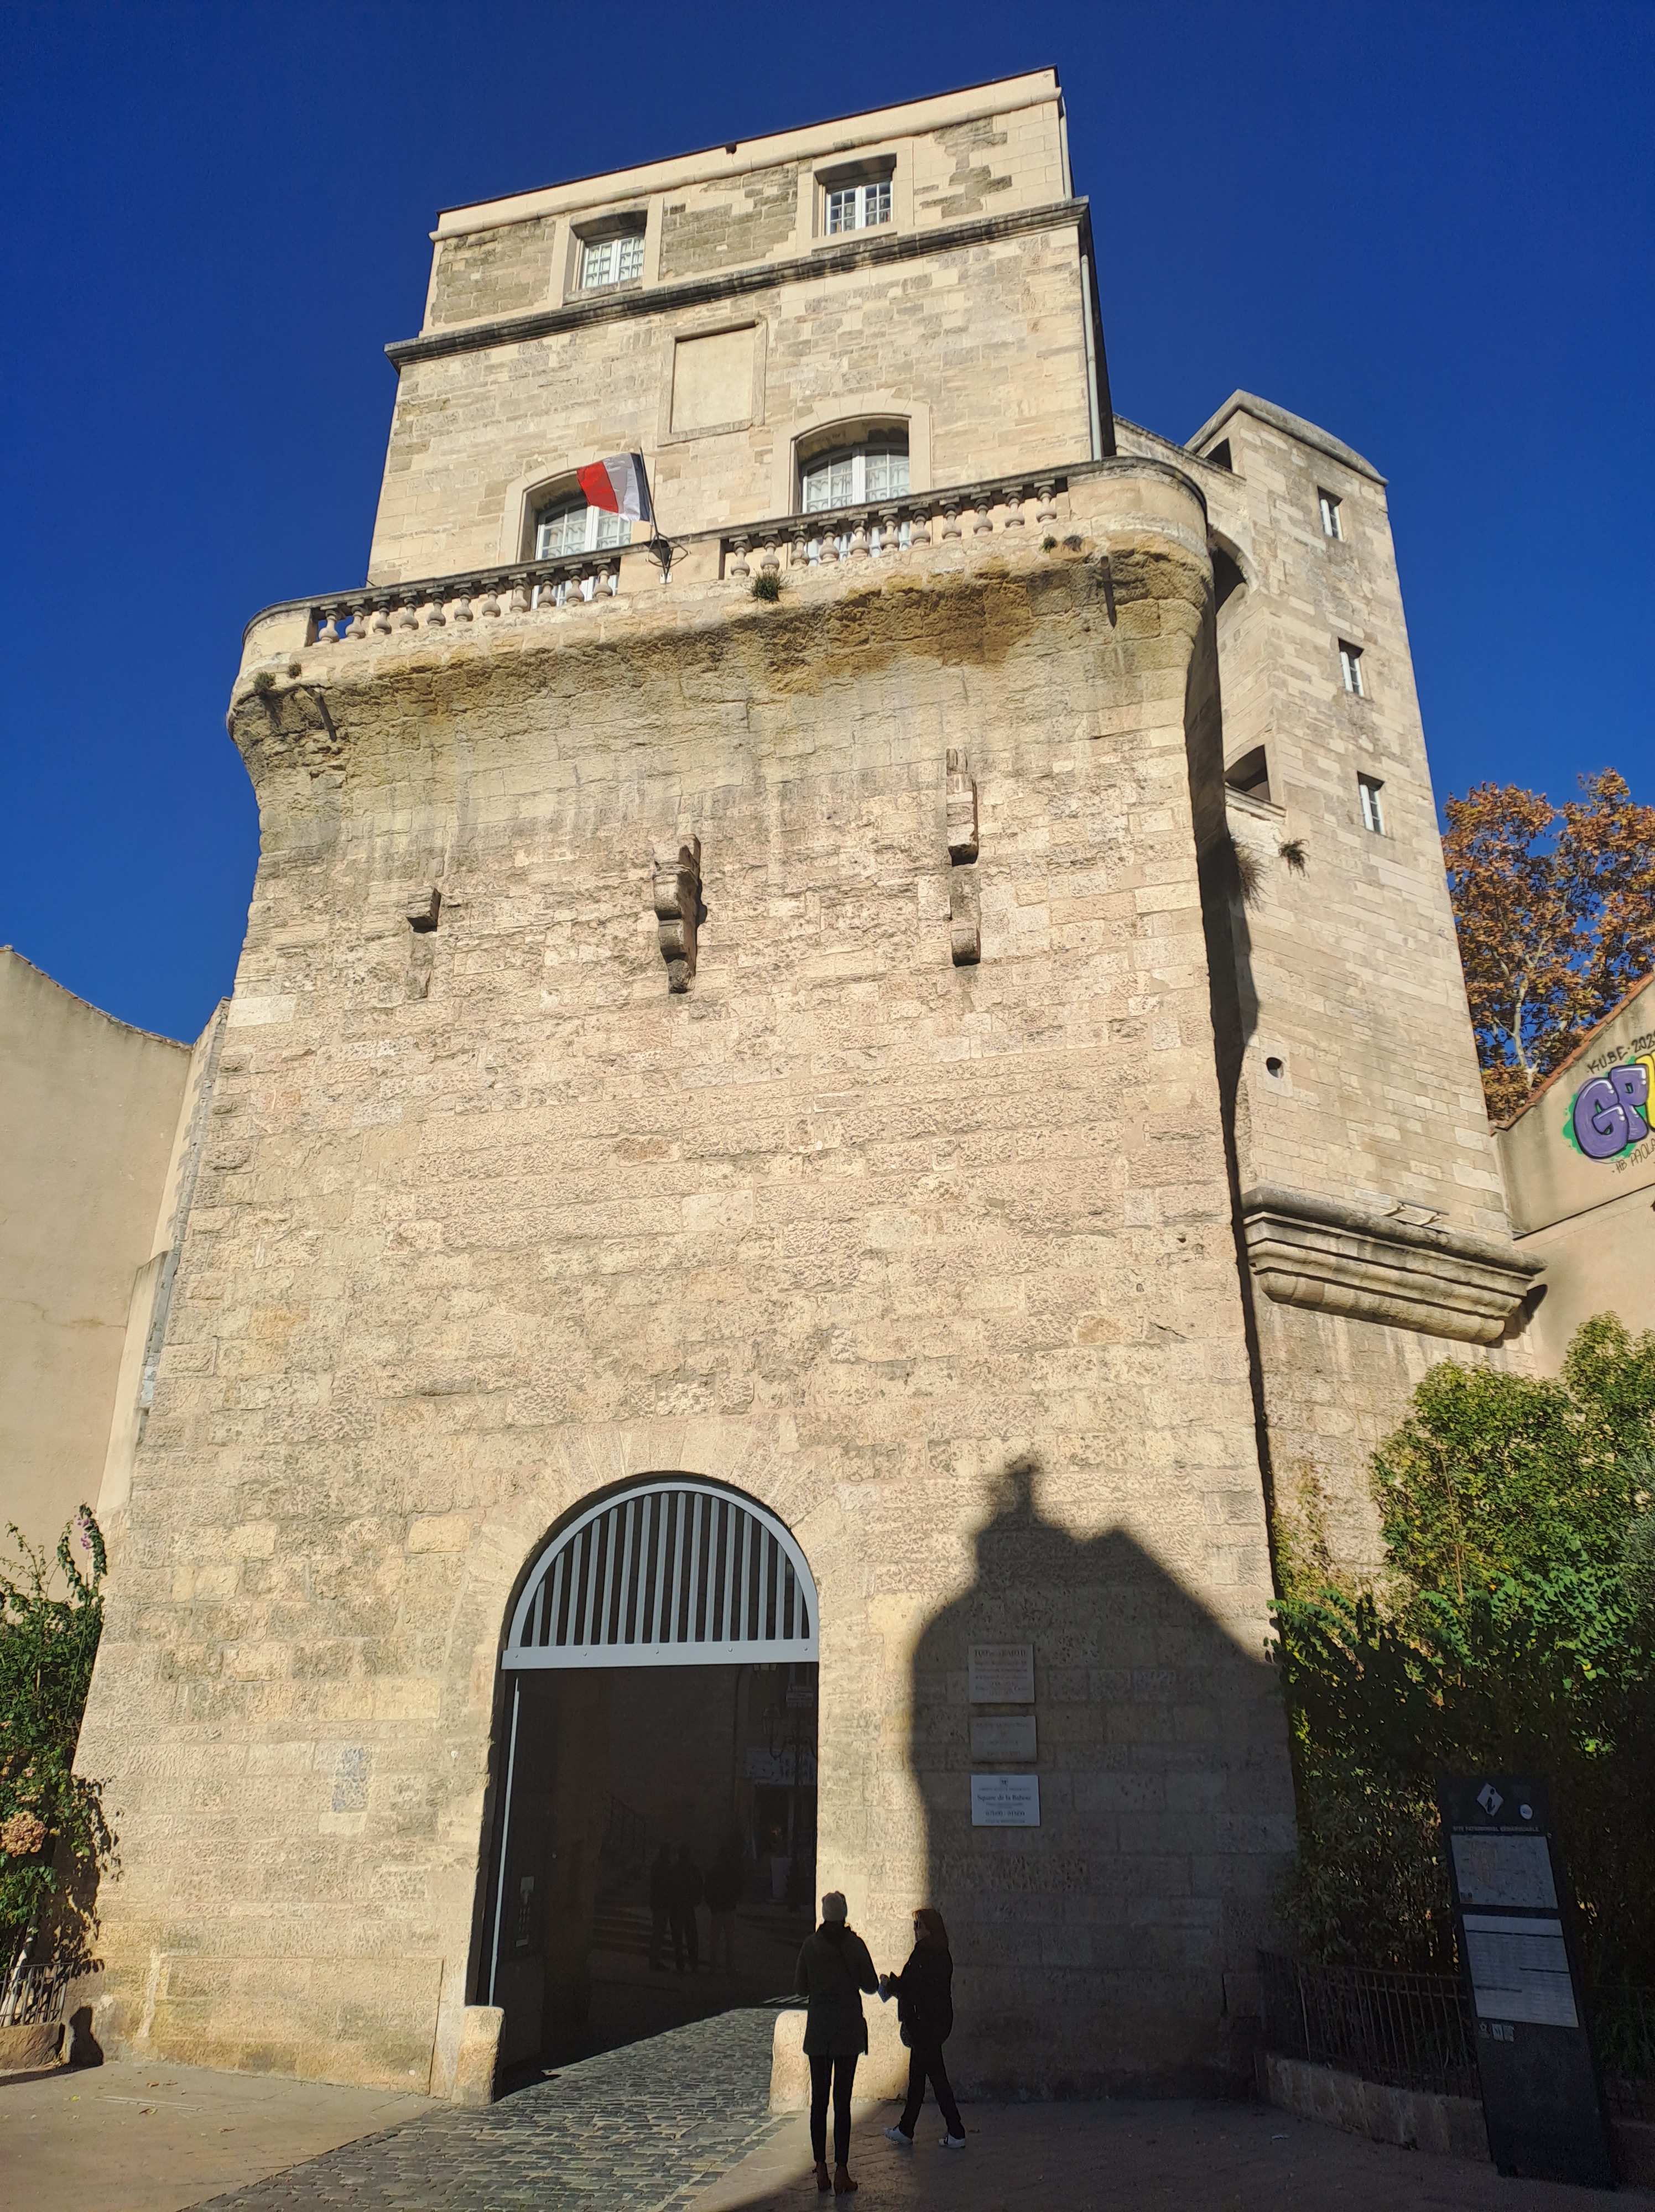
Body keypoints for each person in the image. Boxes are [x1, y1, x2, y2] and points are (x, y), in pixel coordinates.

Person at [795, 1889, 878, 2195]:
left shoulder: (810, 1946)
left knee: (819, 2101)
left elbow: (800, 1988)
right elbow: (871, 1985)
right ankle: (842, 2170)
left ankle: (821, 2168)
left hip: (819, 2031)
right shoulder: (855, 1946)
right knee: (842, 2102)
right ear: (844, 1915)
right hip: (847, 2030)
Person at [881, 1906, 966, 2151]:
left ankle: (956, 2130)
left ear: (929, 1928)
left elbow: (911, 1986)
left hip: (924, 2024)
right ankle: (906, 2129)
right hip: (934, 2022)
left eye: (919, 1926)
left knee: (936, 2079)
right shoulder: (942, 1952)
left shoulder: (925, 1951)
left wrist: (890, 1984)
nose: (915, 1931)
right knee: (918, 2078)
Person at [704, 1838, 741, 1975]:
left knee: (714, 1939)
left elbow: (707, 1889)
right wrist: (735, 1900)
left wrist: (711, 1904)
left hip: (717, 1908)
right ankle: (730, 1967)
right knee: (730, 1940)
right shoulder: (733, 1871)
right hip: (729, 1907)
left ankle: (713, 1967)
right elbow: (738, 1887)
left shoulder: (713, 1871)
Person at [669, 1841, 703, 1973]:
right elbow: (699, 1885)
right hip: (687, 1906)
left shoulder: (674, 1869)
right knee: (691, 1936)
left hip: (676, 1906)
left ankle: (680, 1963)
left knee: (677, 1937)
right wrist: (696, 1900)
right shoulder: (692, 1869)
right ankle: (693, 1963)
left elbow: (669, 1887)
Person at [647, 1841, 673, 1972]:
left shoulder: (657, 1866)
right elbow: (665, 1886)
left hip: (657, 1902)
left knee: (657, 1932)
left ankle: (654, 1959)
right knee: (658, 1932)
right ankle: (654, 1960)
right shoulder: (664, 1867)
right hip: (662, 1903)